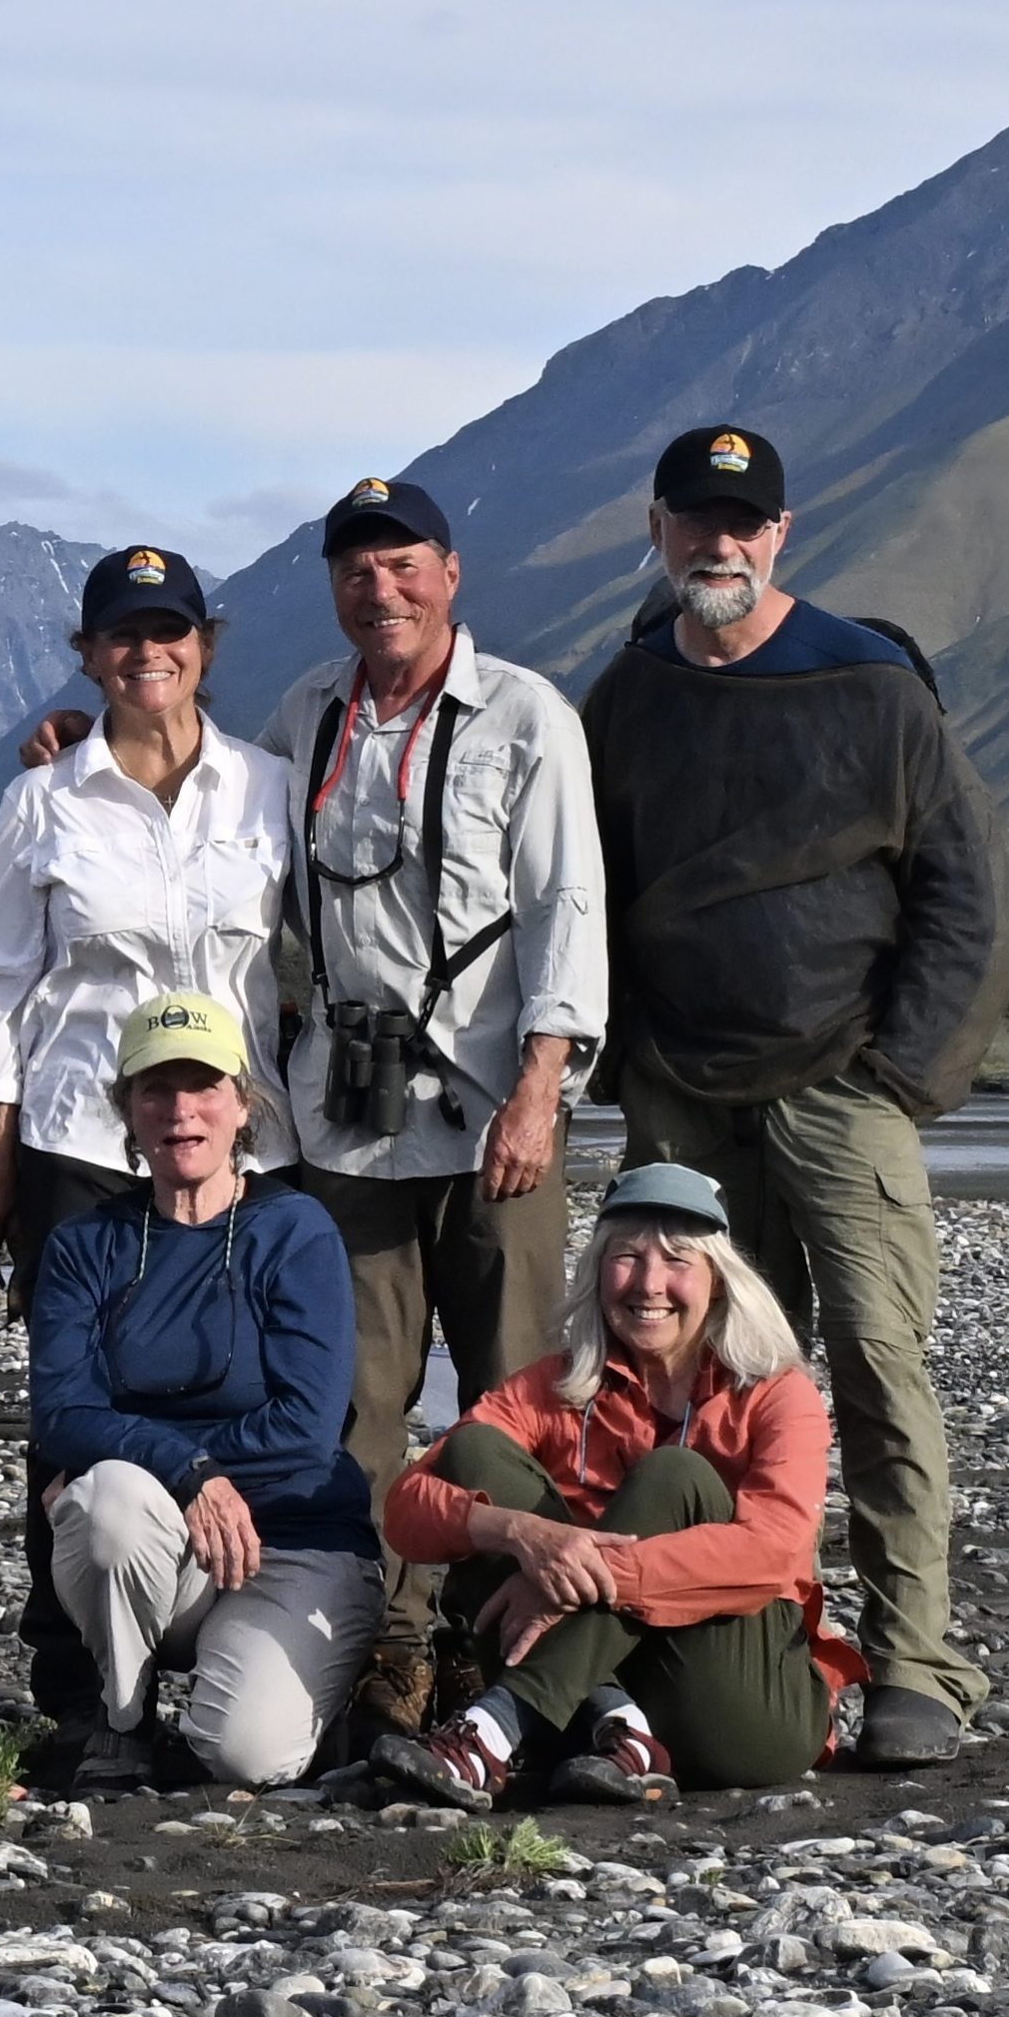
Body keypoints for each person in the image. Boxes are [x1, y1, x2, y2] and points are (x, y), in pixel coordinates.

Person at [580, 425, 1009, 1769]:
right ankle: (736, 1652)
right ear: (658, 531)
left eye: (745, 522)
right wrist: (622, 1060)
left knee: (883, 1375)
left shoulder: (876, 687)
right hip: (683, 1104)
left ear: (783, 533)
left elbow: (963, 895)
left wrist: (899, 1077)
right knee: (696, 1393)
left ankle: (916, 1665)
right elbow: (577, 883)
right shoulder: (628, 696)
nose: (721, 543)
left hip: (844, 1086)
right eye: (696, 521)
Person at [259, 476, 606, 1745]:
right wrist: (76, 749)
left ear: (450, 574)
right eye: (355, 570)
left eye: (403, 565)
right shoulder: (306, 714)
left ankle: (511, 1639)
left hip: (489, 1105)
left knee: (516, 1385)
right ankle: (384, 1643)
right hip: (346, 1114)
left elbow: (569, 905)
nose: (379, 589)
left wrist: (540, 1089)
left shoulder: (526, 714)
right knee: (359, 1393)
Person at [0, 543, 297, 1753]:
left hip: (235, 1134)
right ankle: (75, 1670)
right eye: (121, 634)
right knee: (72, 1400)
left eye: (171, 630)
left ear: (205, 643)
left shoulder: (267, 787)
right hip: (80, 1137)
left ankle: (233, 1630)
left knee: (236, 1374)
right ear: (85, 653)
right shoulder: (42, 799)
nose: (147, 652)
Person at [372, 1163, 865, 1807]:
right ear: (598, 1272)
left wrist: (571, 1584)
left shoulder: (776, 1391)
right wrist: (525, 1535)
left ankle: (492, 1729)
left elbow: (775, 1551)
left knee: (673, 1476)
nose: (650, 1283)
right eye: (627, 1257)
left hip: (742, 1716)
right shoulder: (556, 1384)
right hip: (598, 1700)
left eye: (678, 1260)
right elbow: (407, 1508)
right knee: (475, 1454)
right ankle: (623, 1732)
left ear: (718, 1281)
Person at [32, 993, 381, 1791]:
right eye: (155, 1089)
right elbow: (61, 1414)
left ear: (241, 1102)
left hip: (297, 1539)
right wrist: (185, 1471)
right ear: (125, 1106)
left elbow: (305, 1427)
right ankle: (122, 1720)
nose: (180, 1111)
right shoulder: (85, 1245)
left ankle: (311, 1687)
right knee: (106, 1502)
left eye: (203, 1087)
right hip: (162, 1543)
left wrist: (150, 1452)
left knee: (245, 1757)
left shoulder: (296, 1232)